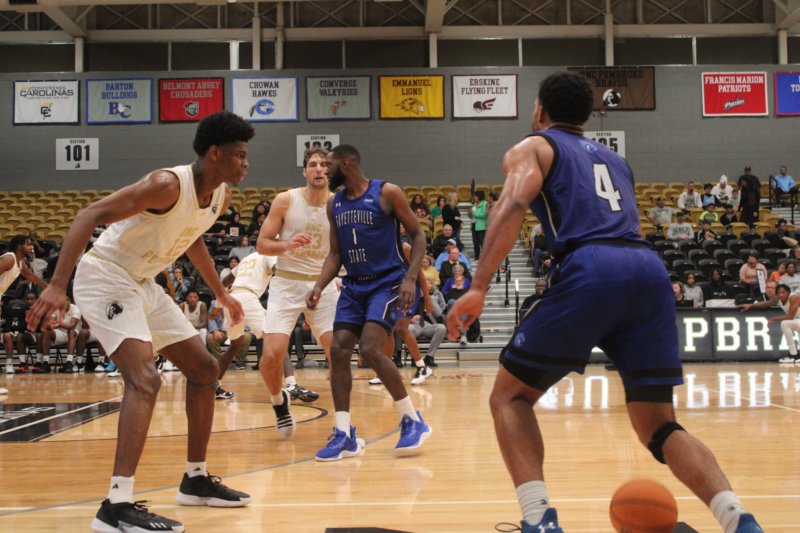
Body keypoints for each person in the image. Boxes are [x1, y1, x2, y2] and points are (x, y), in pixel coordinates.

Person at [445, 72, 762, 533]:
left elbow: (511, 206)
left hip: (592, 266)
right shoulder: (617, 161)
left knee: (510, 396)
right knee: (659, 426)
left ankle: (539, 520)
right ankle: (739, 520)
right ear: (586, 115)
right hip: (647, 269)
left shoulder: (533, 146)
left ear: (540, 110)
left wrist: (478, 286)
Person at [27, 110, 254, 532]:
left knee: (205, 369)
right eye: (239, 155)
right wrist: (57, 285)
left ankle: (195, 479)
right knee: (144, 379)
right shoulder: (166, 184)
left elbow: (192, 237)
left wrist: (222, 294)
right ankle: (116, 505)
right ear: (215, 154)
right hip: (105, 276)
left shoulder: (219, 196)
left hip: (142, 281)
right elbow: (88, 215)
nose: (246, 163)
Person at [306, 144, 432, 461]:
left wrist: (410, 278)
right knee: (338, 349)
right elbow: (335, 254)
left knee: (371, 348)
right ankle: (344, 434)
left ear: (346, 164)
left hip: (388, 282)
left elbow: (418, 236)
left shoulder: (387, 192)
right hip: (354, 285)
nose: (324, 171)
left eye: (328, 164)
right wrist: (319, 285)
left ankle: (413, 419)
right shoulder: (335, 204)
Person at [256, 147, 340, 437]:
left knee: (338, 352)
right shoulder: (286, 200)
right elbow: (262, 244)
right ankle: (279, 402)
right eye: (313, 164)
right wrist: (287, 245)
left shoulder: (338, 204)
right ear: (304, 171)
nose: (319, 169)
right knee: (271, 356)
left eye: (324, 165)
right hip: (287, 282)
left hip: (322, 284)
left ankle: (343, 424)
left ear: (331, 171)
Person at [220, 251, 319, 405]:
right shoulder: (270, 255)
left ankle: (214, 385)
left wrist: (219, 304)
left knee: (235, 344)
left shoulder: (248, 258)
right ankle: (292, 385)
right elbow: (278, 272)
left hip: (231, 299)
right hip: (248, 298)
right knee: (276, 338)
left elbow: (225, 281)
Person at [1, 235, 47, 379]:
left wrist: (48, 287)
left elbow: (31, 276)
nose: (31, 247)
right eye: (27, 244)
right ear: (19, 246)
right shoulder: (9, 258)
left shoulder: (20, 263)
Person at [739, 284, 800, 364]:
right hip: (797, 321)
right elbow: (766, 303)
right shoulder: (777, 298)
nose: (781, 295)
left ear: (788, 293)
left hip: (796, 320)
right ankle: (794, 355)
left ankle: (793, 355)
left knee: (785, 323)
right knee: (787, 324)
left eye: (783, 292)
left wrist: (773, 319)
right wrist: (751, 305)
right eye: (779, 293)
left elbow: (790, 317)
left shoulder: (794, 297)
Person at [470, 190, 488, 260]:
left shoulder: (485, 203)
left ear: (479, 196)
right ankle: (477, 257)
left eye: (475, 196)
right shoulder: (474, 204)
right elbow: (471, 214)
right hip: (474, 224)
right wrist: (471, 213)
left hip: (481, 226)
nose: (474, 197)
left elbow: (484, 214)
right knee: (475, 243)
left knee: (482, 243)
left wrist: (474, 213)